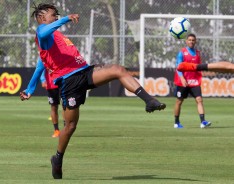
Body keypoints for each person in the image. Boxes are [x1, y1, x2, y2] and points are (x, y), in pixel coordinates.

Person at [21, 3, 166, 179]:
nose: (56, 17)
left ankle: (149, 100)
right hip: (69, 82)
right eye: (53, 15)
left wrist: (29, 88)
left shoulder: (55, 34)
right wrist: (30, 88)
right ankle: (58, 159)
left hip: (85, 72)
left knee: (118, 70)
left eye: (57, 15)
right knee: (71, 126)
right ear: (42, 18)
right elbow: (41, 59)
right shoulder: (42, 32)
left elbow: (43, 60)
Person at [173, 33, 211, 129]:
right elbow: (178, 67)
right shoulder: (182, 52)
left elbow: (198, 66)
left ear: (195, 41)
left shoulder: (198, 53)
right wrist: (182, 78)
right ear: (186, 41)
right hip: (183, 82)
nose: (191, 41)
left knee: (199, 100)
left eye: (193, 40)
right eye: (189, 40)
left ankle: (203, 122)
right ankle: (176, 122)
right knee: (179, 102)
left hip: (194, 81)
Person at [21, 57, 61, 138]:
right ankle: (56, 130)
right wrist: (42, 80)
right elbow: (39, 69)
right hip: (52, 84)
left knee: (66, 106)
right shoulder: (44, 54)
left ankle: (66, 130)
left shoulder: (62, 49)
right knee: (54, 107)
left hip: (65, 81)